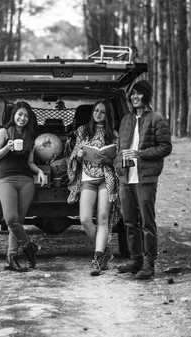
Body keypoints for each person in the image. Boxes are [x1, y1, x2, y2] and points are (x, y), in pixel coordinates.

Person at [114, 80, 172, 280]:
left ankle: (149, 262)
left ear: (146, 96)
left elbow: (165, 147)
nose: (134, 97)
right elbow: (121, 146)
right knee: (129, 221)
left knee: (147, 222)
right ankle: (135, 258)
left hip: (145, 177)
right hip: (126, 177)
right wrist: (118, 164)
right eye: (132, 94)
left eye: (138, 94)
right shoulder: (126, 120)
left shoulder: (157, 119)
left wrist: (141, 154)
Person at [67, 99, 121, 276]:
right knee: (84, 219)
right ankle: (105, 251)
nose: (98, 114)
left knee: (103, 218)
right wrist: (80, 155)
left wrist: (108, 159)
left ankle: (97, 258)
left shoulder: (113, 134)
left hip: (106, 178)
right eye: (96, 110)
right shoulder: (83, 130)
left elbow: (117, 159)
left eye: (102, 112)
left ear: (108, 115)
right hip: (87, 178)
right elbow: (74, 155)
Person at [0, 101, 45, 272]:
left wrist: (40, 172)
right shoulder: (3, 132)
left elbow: (30, 162)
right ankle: (29, 246)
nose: (22, 118)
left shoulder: (30, 136)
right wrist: (7, 147)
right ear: (14, 115)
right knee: (10, 219)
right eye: (20, 114)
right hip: (6, 179)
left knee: (18, 222)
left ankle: (11, 257)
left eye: (26, 116)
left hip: (26, 181)